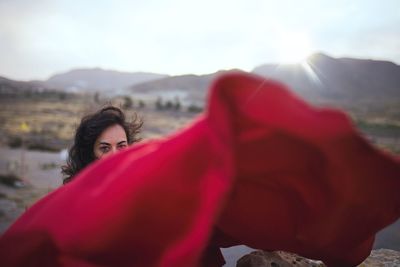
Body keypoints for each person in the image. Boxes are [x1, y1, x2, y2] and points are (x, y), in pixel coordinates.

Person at [61, 105, 142, 184]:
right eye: (105, 148)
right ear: (90, 153)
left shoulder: (138, 184)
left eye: (121, 146)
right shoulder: (77, 193)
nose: (115, 154)